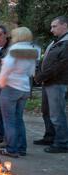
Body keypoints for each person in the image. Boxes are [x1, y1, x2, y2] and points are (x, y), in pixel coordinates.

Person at [0, 27, 39, 158]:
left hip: (11, 87)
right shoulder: (33, 51)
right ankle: (22, 148)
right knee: (19, 119)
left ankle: (11, 149)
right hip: (24, 87)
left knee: (9, 120)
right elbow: (31, 72)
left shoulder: (14, 50)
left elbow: (6, 70)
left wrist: (1, 83)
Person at [34, 16, 68, 153]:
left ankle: (62, 143)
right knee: (46, 112)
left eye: (54, 26)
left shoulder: (66, 44)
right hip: (48, 82)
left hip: (58, 83)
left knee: (57, 114)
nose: (51, 29)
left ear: (65, 25)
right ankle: (50, 136)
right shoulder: (56, 42)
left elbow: (60, 66)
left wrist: (40, 76)